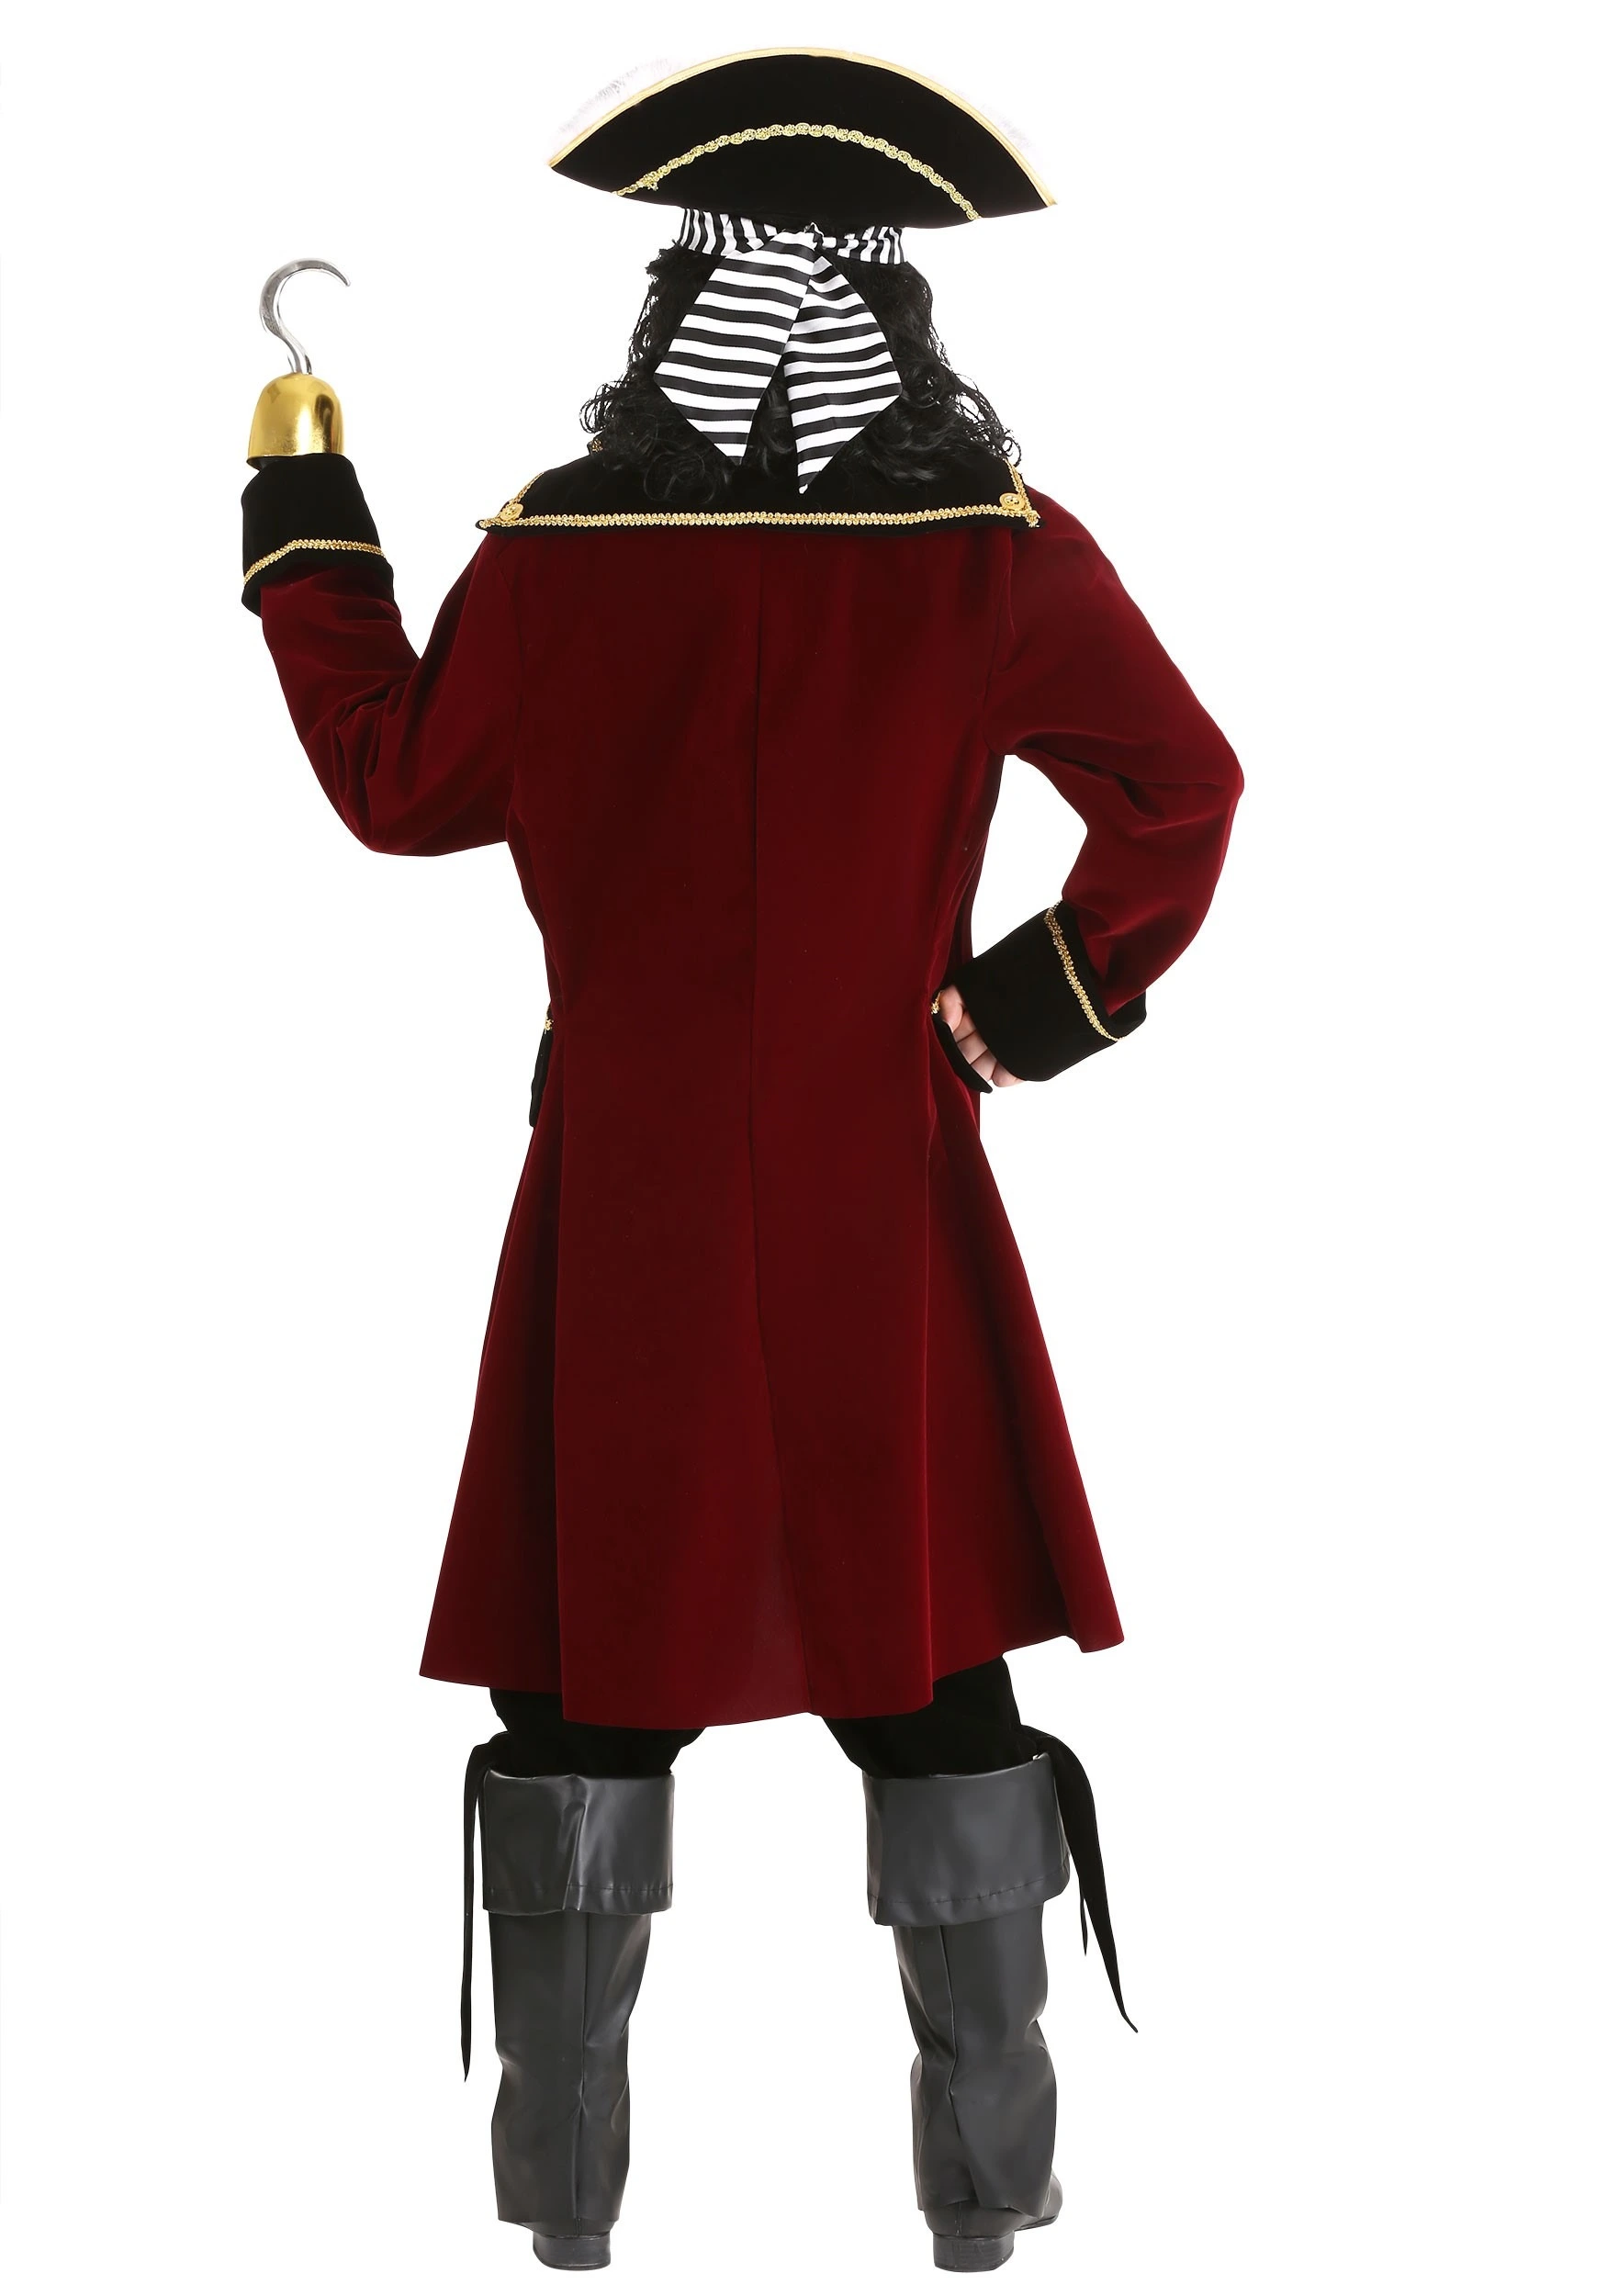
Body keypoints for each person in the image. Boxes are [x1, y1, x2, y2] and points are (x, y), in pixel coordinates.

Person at [240, 48, 1242, 2276]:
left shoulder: (561, 562)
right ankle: (980, 2201)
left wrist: (300, 503)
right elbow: (1181, 794)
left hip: (634, 1194)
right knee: (922, 1666)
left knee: (599, 1672)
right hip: (879, 1174)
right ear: (896, 313)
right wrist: (1008, 1014)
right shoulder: (989, 556)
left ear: (668, 314)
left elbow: (397, 783)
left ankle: (563, 2214)